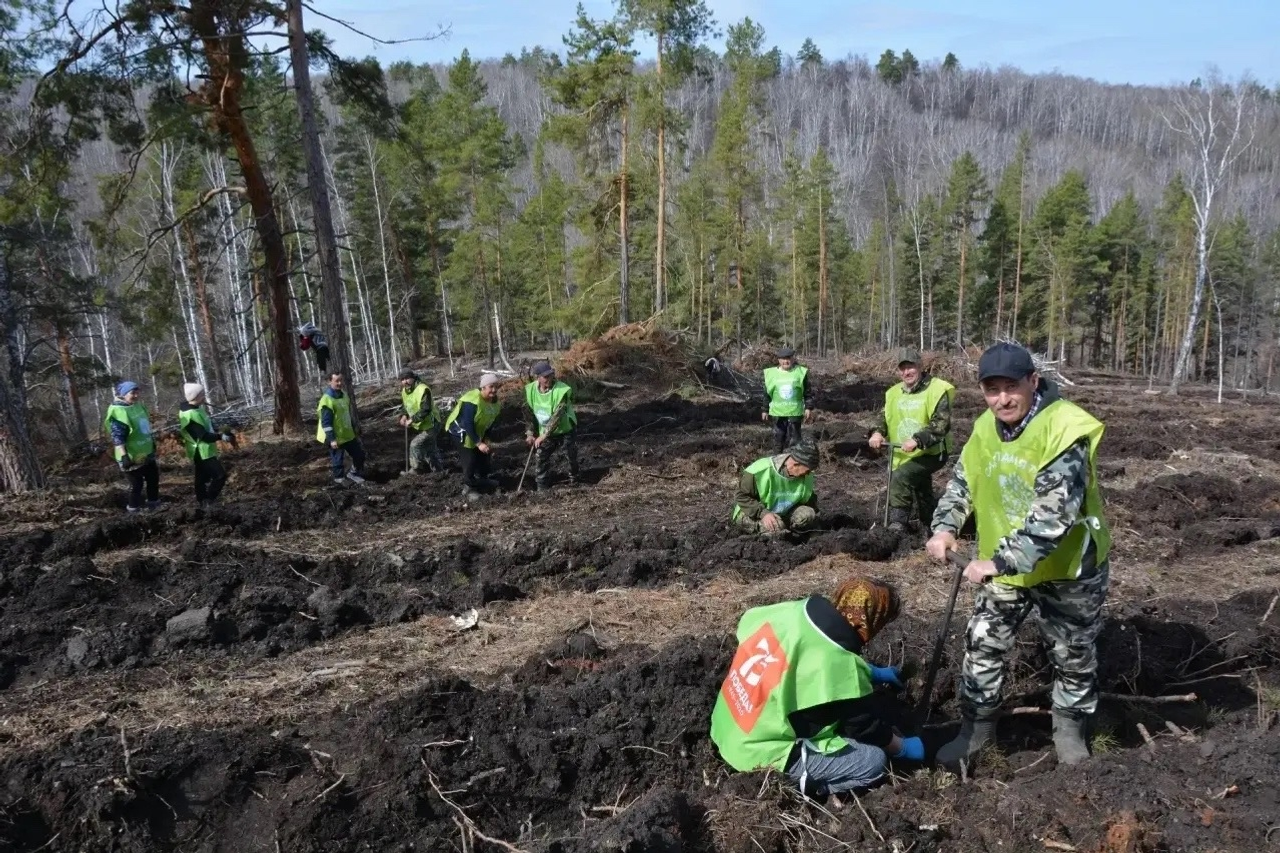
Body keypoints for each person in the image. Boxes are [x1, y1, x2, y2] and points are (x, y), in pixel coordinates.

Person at [925, 342, 1111, 767]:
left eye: (1011, 387)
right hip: (1006, 569)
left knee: (1072, 653)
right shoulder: (984, 429)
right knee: (982, 643)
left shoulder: (1064, 428)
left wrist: (997, 561)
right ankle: (975, 732)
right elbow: (962, 483)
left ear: (1033, 381)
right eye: (992, 390)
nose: (1002, 399)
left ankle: (1070, 733)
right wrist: (945, 526)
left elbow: (1054, 514)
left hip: (1068, 568)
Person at [710, 577, 923, 796]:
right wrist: (900, 747)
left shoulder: (793, 612)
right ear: (871, 622)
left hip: (727, 723)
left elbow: (804, 655)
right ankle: (801, 789)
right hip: (755, 754)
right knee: (873, 763)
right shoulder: (841, 668)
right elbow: (862, 726)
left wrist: (871, 671)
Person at [868, 348, 955, 530]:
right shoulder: (893, 393)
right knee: (920, 485)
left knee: (901, 477)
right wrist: (877, 432)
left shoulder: (937, 389)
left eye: (911, 367)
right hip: (903, 453)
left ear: (921, 366)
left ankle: (897, 525)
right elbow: (883, 417)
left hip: (932, 452)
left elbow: (941, 424)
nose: (906, 372)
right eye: (902, 368)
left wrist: (917, 440)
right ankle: (930, 523)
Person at [733, 439, 820, 535]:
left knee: (807, 515)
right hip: (752, 512)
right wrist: (763, 513)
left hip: (782, 512)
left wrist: (815, 520)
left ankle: (790, 532)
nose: (808, 474)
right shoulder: (759, 471)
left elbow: (809, 499)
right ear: (795, 464)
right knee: (775, 528)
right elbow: (741, 496)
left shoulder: (806, 475)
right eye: (807, 471)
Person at [523, 361, 579, 492]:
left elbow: (557, 416)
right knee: (540, 455)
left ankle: (574, 480)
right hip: (546, 432)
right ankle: (541, 486)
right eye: (545, 377)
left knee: (570, 456)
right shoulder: (531, 390)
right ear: (538, 377)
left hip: (565, 429)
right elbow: (529, 413)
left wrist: (543, 435)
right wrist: (530, 433)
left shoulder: (561, 390)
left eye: (551, 375)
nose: (549, 379)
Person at [104, 380, 160, 512]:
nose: (136, 395)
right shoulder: (119, 412)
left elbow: (145, 428)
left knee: (153, 479)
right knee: (137, 485)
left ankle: (154, 505)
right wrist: (124, 457)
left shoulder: (138, 406)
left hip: (146, 452)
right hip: (131, 456)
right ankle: (133, 510)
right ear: (123, 394)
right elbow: (118, 438)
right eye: (132, 393)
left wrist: (151, 444)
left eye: (137, 392)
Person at [445, 372, 502, 498]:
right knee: (470, 458)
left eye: (495, 387)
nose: (494, 390)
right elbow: (468, 423)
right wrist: (478, 443)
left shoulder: (495, 404)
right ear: (483, 388)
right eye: (491, 387)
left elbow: (490, 422)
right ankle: (469, 488)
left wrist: (486, 439)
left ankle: (483, 480)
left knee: (483, 456)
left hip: (478, 430)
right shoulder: (472, 401)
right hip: (460, 431)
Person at [177, 383, 232, 509]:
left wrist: (219, 431)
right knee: (220, 476)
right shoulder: (189, 414)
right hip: (201, 451)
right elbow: (203, 435)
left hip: (205, 450)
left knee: (201, 479)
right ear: (196, 396)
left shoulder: (197, 409)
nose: (204, 397)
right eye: (202, 394)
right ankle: (209, 500)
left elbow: (207, 427)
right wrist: (221, 437)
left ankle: (203, 501)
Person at [316, 372, 366, 485]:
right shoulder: (327, 400)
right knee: (337, 460)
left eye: (341, 380)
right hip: (335, 436)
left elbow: (347, 414)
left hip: (347, 434)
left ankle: (353, 473)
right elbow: (326, 422)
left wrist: (354, 427)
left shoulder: (344, 395)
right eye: (336, 381)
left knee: (359, 455)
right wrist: (332, 439)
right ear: (330, 381)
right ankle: (339, 480)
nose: (339, 383)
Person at [761, 346, 813, 453]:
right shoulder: (771, 374)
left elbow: (807, 391)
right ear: (779, 360)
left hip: (795, 413)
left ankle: (795, 464)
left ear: (793, 359)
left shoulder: (800, 372)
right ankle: (777, 463)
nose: (786, 361)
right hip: (778, 414)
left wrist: (808, 407)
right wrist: (765, 409)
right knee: (778, 440)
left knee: (795, 441)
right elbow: (766, 394)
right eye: (783, 359)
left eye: (788, 358)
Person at [398, 368, 444, 474]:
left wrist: (412, 420)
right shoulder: (405, 391)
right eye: (402, 379)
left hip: (432, 424)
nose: (405, 381)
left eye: (407, 378)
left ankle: (415, 469)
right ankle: (439, 472)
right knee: (430, 449)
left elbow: (425, 409)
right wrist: (403, 415)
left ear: (413, 378)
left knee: (415, 444)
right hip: (424, 425)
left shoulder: (423, 389)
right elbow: (406, 405)